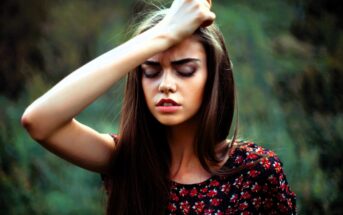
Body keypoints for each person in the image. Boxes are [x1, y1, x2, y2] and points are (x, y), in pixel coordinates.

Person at [21, 0, 296, 214]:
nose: (165, 85)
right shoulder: (126, 160)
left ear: (213, 78)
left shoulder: (257, 171)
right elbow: (40, 121)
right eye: (151, 71)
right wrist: (162, 34)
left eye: (185, 70)